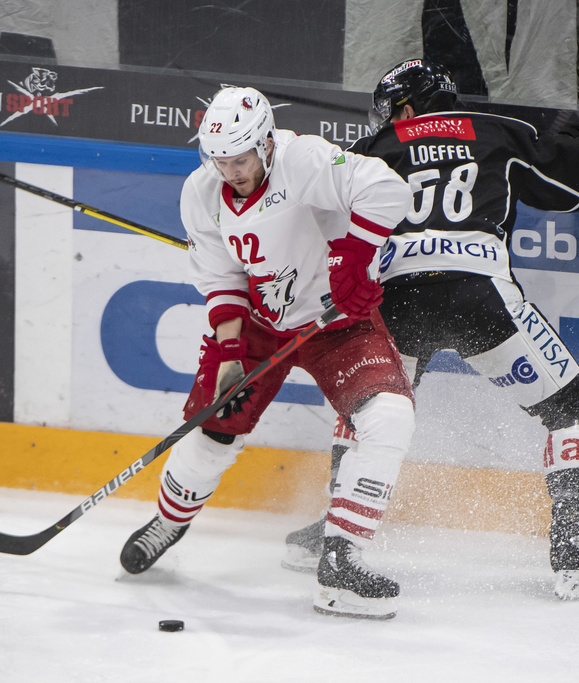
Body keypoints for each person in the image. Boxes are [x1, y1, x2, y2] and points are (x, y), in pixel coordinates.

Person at [282, 59, 579, 600]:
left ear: (404, 109)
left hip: (397, 299)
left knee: (371, 410)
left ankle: (331, 534)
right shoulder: (498, 132)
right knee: (575, 409)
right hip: (479, 297)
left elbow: (309, 225)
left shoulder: (372, 148)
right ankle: (573, 549)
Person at [119, 86, 417, 620]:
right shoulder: (201, 191)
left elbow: (389, 191)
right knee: (215, 427)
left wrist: (353, 255)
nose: (230, 171)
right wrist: (230, 352)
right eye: (220, 160)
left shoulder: (304, 158)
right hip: (258, 323)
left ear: (266, 142)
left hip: (336, 321)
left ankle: (342, 561)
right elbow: (221, 276)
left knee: (390, 417)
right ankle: (169, 521)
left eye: (240, 159)